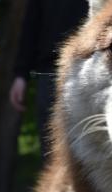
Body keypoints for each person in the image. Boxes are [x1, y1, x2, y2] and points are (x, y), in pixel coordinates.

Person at [10, 0, 89, 161]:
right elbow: (30, 26)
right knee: (53, 153)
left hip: (91, 64)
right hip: (49, 72)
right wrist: (20, 75)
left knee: (93, 147)